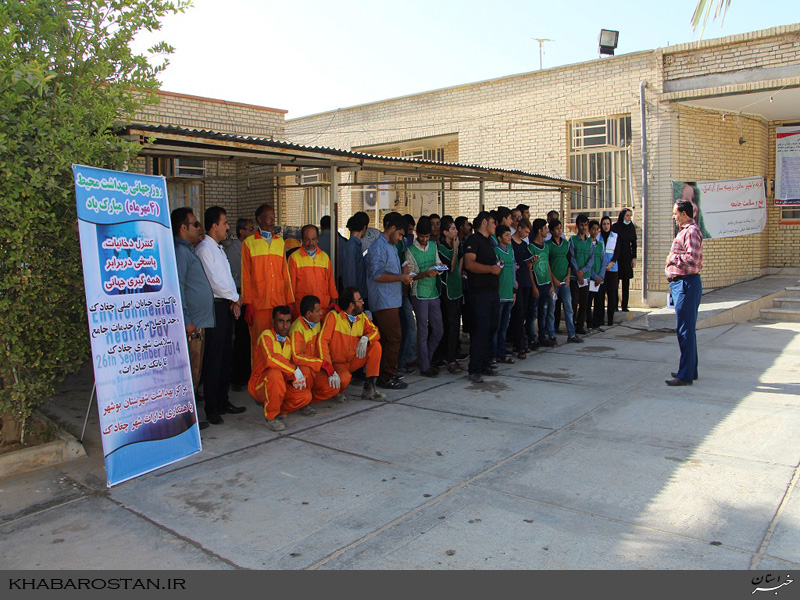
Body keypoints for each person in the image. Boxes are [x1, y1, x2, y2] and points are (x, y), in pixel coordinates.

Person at [195, 206, 247, 425]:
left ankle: (223, 400)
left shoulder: (218, 248)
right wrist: (235, 298)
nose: (228, 227)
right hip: (215, 307)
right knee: (214, 358)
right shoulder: (205, 249)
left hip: (225, 305)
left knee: (226, 356)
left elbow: (227, 277)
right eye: (224, 223)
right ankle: (212, 406)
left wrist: (234, 299)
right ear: (214, 225)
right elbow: (216, 283)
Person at [171, 207, 212, 431]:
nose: (199, 228)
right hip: (191, 326)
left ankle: (189, 418)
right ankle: (185, 422)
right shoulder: (180, 252)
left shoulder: (189, 250)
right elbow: (177, 287)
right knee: (190, 373)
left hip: (197, 323)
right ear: (183, 228)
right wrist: (186, 319)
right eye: (195, 224)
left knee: (195, 372)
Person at [365, 212, 414, 390]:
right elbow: (377, 274)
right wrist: (401, 277)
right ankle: (387, 376)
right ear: (392, 228)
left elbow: (388, 269)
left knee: (389, 338)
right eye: (400, 234)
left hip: (391, 299)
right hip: (383, 300)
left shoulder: (391, 246)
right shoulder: (379, 247)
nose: (401, 238)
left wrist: (403, 270)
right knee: (393, 338)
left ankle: (385, 373)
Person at [249, 305, 313, 431]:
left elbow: (289, 368)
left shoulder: (288, 342)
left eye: (288, 321)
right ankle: (271, 417)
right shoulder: (266, 336)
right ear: (273, 322)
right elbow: (270, 359)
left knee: (306, 396)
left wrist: (296, 378)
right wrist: (294, 370)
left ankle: (276, 407)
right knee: (275, 373)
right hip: (259, 385)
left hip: (278, 384)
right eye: (281, 321)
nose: (285, 326)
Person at [241, 204, 294, 357]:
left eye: (274, 217)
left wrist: (289, 300)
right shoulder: (249, 243)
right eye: (269, 217)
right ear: (259, 219)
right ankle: (259, 379)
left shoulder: (280, 243)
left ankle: (277, 377)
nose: (272, 220)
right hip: (259, 305)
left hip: (278, 303)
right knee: (259, 344)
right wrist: (248, 304)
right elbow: (246, 276)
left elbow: (285, 275)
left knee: (279, 343)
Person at [319, 287, 386, 401]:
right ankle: (337, 391)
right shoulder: (334, 316)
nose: (363, 302)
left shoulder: (361, 316)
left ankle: (369, 388)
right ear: (351, 305)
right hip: (338, 363)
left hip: (354, 359)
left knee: (376, 346)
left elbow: (376, 332)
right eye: (359, 300)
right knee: (344, 379)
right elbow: (322, 341)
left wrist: (366, 338)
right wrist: (328, 368)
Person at [665, 200, 703, 386]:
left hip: (686, 284)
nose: (674, 217)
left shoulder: (692, 231)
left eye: (675, 213)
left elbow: (693, 259)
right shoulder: (685, 230)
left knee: (685, 331)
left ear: (684, 214)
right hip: (681, 285)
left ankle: (685, 375)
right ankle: (689, 369)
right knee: (686, 330)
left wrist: (673, 258)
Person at [464, 211, 502, 383]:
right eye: (493, 222)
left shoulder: (489, 242)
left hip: (492, 291)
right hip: (480, 294)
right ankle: (474, 368)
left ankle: (486, 363)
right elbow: (469, 264)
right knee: (481, 330)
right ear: (485, 222)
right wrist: (490, 269)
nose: (495, 226)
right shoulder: (473, 240)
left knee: (492, 328)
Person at [405, 216, 444, 377]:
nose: (425, 240)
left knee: (438, 330)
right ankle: (425, 366)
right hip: (419, 294)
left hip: (433, 292)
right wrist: (425, 274)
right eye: (422, 237)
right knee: (422, 331)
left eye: (427, 237)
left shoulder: (433, 245)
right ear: (416, 234)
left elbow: (438, 262)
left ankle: (424, 358)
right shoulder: (410, 251)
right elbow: (411, 277)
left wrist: (440, 268)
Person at [224, 218, 255, 391]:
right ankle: (237, 376)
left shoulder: (249, 245)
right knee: (241, 338)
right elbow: (241, 274)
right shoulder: (235, 248)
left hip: (248, 295)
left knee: (247, 337)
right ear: (241, 231)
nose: (252, 232)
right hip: (238, 294)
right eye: (250, 229)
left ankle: (246, 372)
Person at [289, 295, 338, 405]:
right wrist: (321, 363)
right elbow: (296, 357)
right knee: (306, 370)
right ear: (308, 314)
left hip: (316, 367)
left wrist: (327, 366)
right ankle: (305, 402)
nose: (321, 313)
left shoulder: (316, 323)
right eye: (317, 311)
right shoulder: (297, 329)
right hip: (305, 369)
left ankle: (310, 398)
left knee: (334, 387)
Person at [288, 224, 338, 318]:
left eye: (314, 239)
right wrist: (293, 308)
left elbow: (331, 283)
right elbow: (290, 287)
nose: (311, 243)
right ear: (302, 239)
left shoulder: (325, 257)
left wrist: (334, 303)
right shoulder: (294, 258)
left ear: (318, 239)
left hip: (323, 311)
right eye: (307, 239)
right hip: (303, 311)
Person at [437, 216, 466, 374]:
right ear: (446, 232)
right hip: (447, 291)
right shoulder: (441, 249)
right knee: (450, 325)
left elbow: (460, 267)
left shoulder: (457, 245)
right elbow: (452, 268)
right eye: (453, 229)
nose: (456, 231)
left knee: (456, 326)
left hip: (457, 288)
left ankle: (453, 355)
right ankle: (449, 359)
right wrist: (455, 249)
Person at [546, 219, 582, 344]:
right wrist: (553, 280)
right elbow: (548, 264)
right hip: (553, 283)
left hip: (565, 281)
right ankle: (551, 335)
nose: (560, 230)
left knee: (569, 307)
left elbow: (569, 261)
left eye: (560, 228)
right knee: (551, 309)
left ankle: (571, 334)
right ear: (551, 231)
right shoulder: (548, 246)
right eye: (557, 228)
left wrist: (568, 276)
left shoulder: (566, 244)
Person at [527, 218, 556, 348]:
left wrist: (551, 283)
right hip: (536, 284)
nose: (547, 231)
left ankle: (542, 337)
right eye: (545, 228)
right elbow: (530, 269)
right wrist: (533, 286)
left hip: (546, 283)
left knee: (543, 312)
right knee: (533, 313)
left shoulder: (546, 247)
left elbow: (548, 265)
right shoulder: (530, 247)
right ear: (539, 231)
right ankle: (531, 339)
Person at [510, 218, 533, 358]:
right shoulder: (511, 243)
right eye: (525, 231)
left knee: (524, 313)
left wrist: (531, 261)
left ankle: (518, 341)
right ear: (519, 228)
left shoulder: (524, 245)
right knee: (517, 314)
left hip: (526, 281)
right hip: (516, 282)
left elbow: (528, 262)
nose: (526, 234)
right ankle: (520, 345)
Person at [493, 224, 516, 365]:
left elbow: (513, 271)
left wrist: (514, 290)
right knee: (495, 327)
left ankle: (501, 353)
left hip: (509, 293)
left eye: (510, 235)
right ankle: (493, 356)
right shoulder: (495, 251)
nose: (509, 237)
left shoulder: (511, 251)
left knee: (504, 328)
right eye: (506, 235)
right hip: (499, 294)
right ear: (499, 237)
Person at [568, 213, 593, 336]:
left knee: (584, 303)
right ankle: (571, 326)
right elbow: (571, 257)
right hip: (574, 278)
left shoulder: (590, 242)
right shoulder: (572, 240)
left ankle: (580, 326)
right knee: (573, 303)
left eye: (586, 225)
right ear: (577, 226)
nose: (584, 227)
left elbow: (591, 259)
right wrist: (578, 272)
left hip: (585, 277)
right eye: (582, 225)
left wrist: (583, 271)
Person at [340, 212, 370, 305]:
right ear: (364, 227)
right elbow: (350, 275)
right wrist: (355, 299)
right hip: (355, 298)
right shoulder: (351, 247)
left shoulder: (355, 246)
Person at [611, 208, 637, 312]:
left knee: (626, 283)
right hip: (617, 257)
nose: (628, 218)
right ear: (622, 216)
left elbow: (634, 243)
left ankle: (625, 306)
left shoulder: (631, 227)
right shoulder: (615, 227)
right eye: (627, 215)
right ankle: (614, 305)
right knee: (615, 283)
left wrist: (634, 257)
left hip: (627, 258)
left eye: (630, 216)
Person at [586, 219, 608, 331]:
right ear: (589, 230)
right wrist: (594, 276)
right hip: (590, 278)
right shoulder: (587, 243)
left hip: (600, 278)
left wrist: (601, 276)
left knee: (599, 302)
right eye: (593, 229)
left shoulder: (600, 244)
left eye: (597, 229)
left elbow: (603, 261)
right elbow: (588, 262)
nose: (595, 231)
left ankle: (597, 323)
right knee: (588, 302)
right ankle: (589, 323)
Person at [599, 215, 619, 326]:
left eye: (608, 224)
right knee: (601, 294)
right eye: (604, 224)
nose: (606, 226)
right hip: (601, 270)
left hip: (612, 269)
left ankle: (610, 320)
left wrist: (611, 263)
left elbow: (617, 252)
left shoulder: (615, 236)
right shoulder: (598, 237)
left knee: (611, 295)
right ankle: (600, 319)